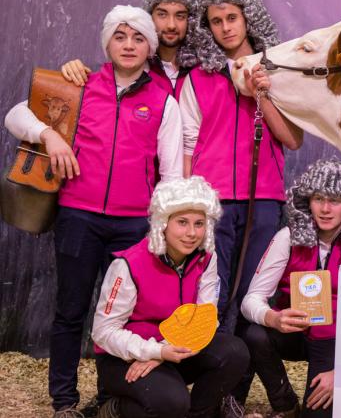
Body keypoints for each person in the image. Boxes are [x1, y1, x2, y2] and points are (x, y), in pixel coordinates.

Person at [4, 5, 184, 417]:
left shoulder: (163, 101)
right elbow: (16, 115)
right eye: (120, 36)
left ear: (150, 48)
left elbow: (172, 175)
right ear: (107, 41)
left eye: (139, 38)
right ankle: (64, 402)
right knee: (70, 310)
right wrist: (49, 135)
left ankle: (109, 399)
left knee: (120, 318)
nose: (129, 45)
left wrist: (158, 229)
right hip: (78, 218)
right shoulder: (79, 83)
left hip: (133, 225)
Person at [180, 0, 303, 334]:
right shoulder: (198, 78)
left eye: (231, 18)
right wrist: (190, 201)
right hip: (211, 199)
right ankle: (212, 377)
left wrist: (261, 94)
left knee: (250, 293)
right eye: (216, 21)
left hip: (262, 199)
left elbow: (293, 140)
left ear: (247, 18)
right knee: (212, 292)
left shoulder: (276, 72)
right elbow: (188, 145)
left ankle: (237, 386)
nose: (225, 28)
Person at [92, 176, 249, 418]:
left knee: (235, 352)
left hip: (175, 348)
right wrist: (152, 351)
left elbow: (206, 316)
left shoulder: (206, 257)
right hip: (125, 357)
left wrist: (162, 353)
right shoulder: (129, 264)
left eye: (199, 223)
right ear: (163, 223)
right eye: (182, 222)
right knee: (172, 402)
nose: (191, 233)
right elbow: (103, 332)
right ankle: (114, 409)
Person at [234, 160, 341, 418]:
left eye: (335, 200)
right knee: (253, 334)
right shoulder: (288, 238)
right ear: (306, 201)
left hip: (334, 342)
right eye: (318, 198)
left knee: (318, 414)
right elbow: (251, 300)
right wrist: (273, 318)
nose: (325, 209)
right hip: (291, 331)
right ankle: (285, 403)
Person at [61, 0, 199, 99]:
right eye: (162, 14)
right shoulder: (131, 63)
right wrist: (73, 69)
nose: (171, 25)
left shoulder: (204, 69)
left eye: (180, 16)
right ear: (149, 16)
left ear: (191, 20)